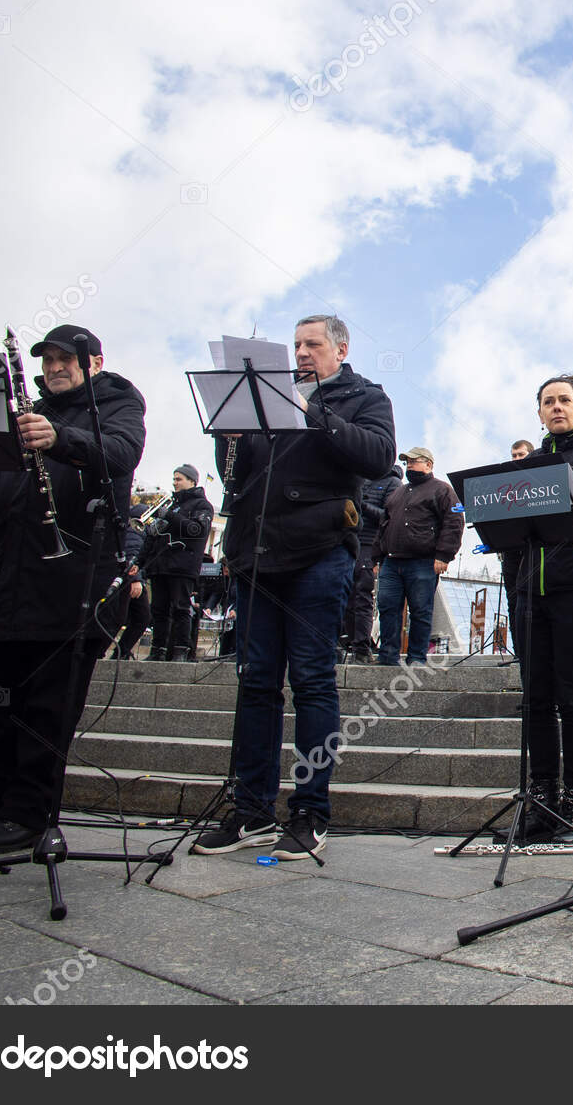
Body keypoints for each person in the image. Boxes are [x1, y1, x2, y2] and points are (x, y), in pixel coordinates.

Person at [0, 326, 145, 852]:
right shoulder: (25, 409)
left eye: (67, 359)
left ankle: (29, 813)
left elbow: (121, 453)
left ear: (95, 361)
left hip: (71, 585)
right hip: (12, 579)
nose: (55, 368)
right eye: (48, 360)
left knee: (46, 710)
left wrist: (61, 439)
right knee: (0, 703)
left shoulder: (118, 402)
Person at [194, 314, 395, 860]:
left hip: (320, 552)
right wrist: (230, 440)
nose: (302, 353)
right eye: (298, 344)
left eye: (312, 345)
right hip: (257, 554)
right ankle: (251, 810)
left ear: (340, 348)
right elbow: (237, 479)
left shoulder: (364, 396)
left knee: (311, 679)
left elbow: (378, 457)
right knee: (256, 681)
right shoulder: (260, 397)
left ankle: (310, 811)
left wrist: (313, 410)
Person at [516, 375, 573, 843]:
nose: (556, 407)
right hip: (531, 590)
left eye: (564, 400)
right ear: (539, 412)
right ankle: (542, 794)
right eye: (548, 402)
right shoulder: (531, 460)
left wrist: (555, 487)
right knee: (535, 698)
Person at [374, 447, 462, 667]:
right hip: (392, 562)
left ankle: (416, 659)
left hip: (423, 562)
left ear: (429, 464)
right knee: (387, 608)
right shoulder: (398, 493)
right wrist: (377, 557)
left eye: (414, 461)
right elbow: (383, 525)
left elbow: (453, 523)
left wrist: (444, 555)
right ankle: (387, 656)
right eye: (407, 462)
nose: (409, 465)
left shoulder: (442, 490)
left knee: (421, 611)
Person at [141, 465, 213, 661]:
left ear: (192, 481)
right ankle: (158, 649)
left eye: (179, 479)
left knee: (181, 607)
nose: (175, 483)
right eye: (174, 479)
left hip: (182, 565)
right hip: (160, 565)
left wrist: (170, 516)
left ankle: (181, 650)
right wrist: (142, 561)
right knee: (158, 609)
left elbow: (196, 530)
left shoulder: (202, 506)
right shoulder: (172, 505)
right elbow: (155, 537)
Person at [345, 464, 401, 663]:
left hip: (370, 545)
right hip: (347, 541)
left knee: (362, 596)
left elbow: (390, 517)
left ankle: (361, 648)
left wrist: (364, 505)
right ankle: (348, 643)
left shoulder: (393, 483)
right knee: (345, 597)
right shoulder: (358, 478)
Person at [498, 439, 532, 656]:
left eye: (521, 454)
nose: (517, 459)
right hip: (510, 551)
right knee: (513, 603)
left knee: (531, 603)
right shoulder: (503, 483)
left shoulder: (537, 479)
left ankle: (533, 653)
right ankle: (519, 652)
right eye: (514, 455)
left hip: (533, 551)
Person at [110, 503, 151, 660]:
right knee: (122, 618)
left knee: (141, 617)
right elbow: (133, 552)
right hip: (130, 579)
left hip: (133, 578)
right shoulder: (136, 529)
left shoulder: (136, 530)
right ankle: (112, 652)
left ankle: (121, 652)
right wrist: (136, 579)